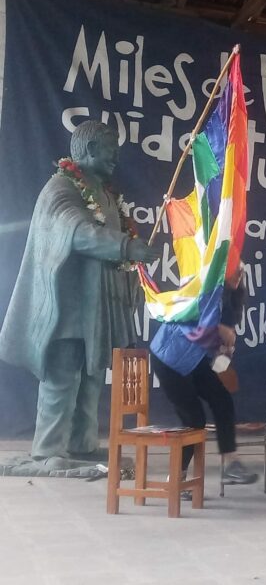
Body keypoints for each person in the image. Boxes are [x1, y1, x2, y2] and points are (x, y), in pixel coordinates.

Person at [0, 121, 160, 468]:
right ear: (89, 149)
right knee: (63, 377)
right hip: (66, 309)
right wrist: (126, 247)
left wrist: (131, 271)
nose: (116, 155)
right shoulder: (60, 187)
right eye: (111, 147)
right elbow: (78, 233)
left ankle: (82, 446)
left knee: (91, 379)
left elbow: (114, 249)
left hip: (98, 311)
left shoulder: (106, 195)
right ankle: (48, 450)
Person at [149, 265, 259, 493]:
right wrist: (218, 330)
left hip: (194, 359)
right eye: (233, 269)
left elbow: (218, 352)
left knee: (222, 399)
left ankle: (231, 465)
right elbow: (185, 321)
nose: (238, 274)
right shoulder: (200, 287)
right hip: (169, 358)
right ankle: (175, 480)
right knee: (194, 420)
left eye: (241, 271)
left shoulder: (231, 303)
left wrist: (225, 352)